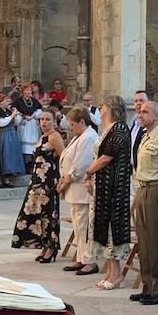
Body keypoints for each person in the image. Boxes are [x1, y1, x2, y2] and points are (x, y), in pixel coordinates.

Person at [128, 101, 158, 304]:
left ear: (157, 116)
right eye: (140, 111)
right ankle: (148, 285)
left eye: (145, 112)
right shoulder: (146, 136)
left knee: (156, 241)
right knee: (144, 241)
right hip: (143, 187)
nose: (140, 114)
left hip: (156, 189)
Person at [86, 95, 133, 290]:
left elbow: (106, 157)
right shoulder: (107, 129)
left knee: (114, 229)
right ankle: (110, 271)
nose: (100, 107)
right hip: (103, 187)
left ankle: (117, 274)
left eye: (102, 104)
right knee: (103, 227)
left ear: (110, 107)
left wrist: (88, 172)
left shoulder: (120, 128)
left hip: (115, 187)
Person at [14, 111, 64, 263]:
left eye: (48, 119)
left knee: (49, 214)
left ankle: (51, 247)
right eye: (42, 119)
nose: (44, 122)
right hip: (37, 179)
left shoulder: (55, 136)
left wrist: (62, 179)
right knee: (35, 212)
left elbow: (64, 157)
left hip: (49, 180)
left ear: (54, 121)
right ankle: (44, 245)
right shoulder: (43, 136)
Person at [58, 106, 98, 275]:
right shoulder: (80, 136)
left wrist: (66, 181)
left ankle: (90, 260)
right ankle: (81, 258)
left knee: (84, 226)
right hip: (75, 189)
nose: (71, 128)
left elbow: (81, 165)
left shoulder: (89, 137)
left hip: (81, 187)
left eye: (72, 124)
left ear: (82, 122)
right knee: (78, 225)